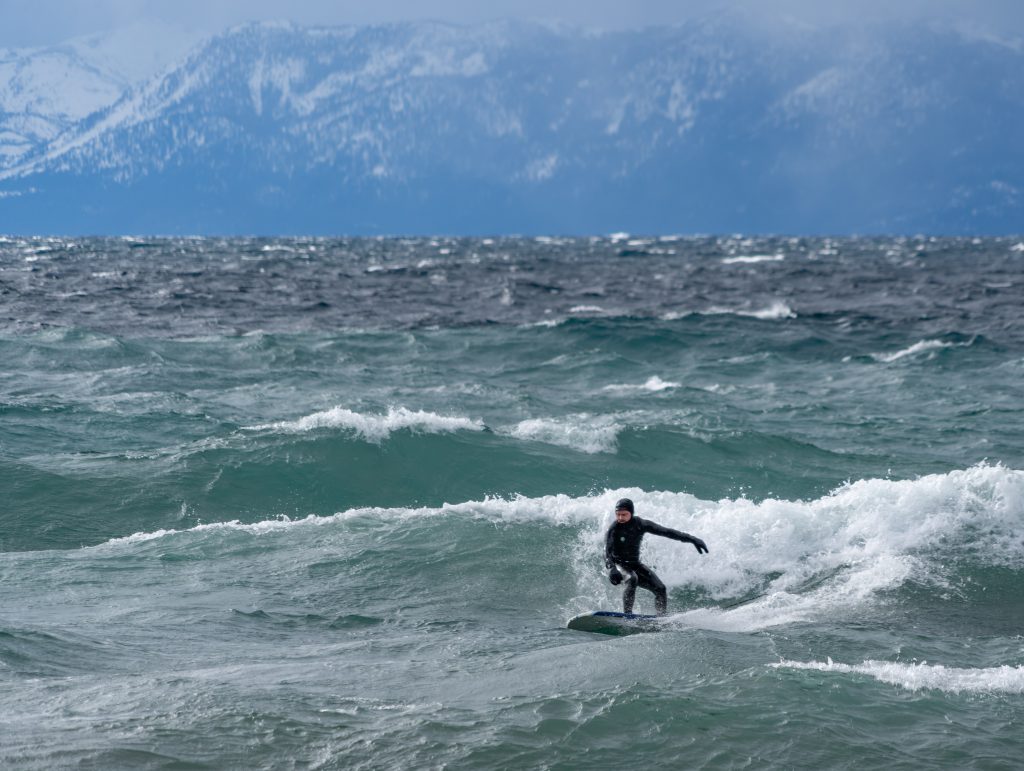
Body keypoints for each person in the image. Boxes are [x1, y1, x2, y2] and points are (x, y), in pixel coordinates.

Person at [605, 497, 708, 616]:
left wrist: (693, 539)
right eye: (618, 514)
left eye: (624, 514)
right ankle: (627, 615)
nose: (620, 518)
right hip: (619, 566)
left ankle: (661, 618)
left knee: (660, 588)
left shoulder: (641, 524)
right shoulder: (614, 528)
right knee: (632, 579)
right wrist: (612, 568)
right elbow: (607, 550)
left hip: (635, 564)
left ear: (631, 513)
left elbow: (667, 532)